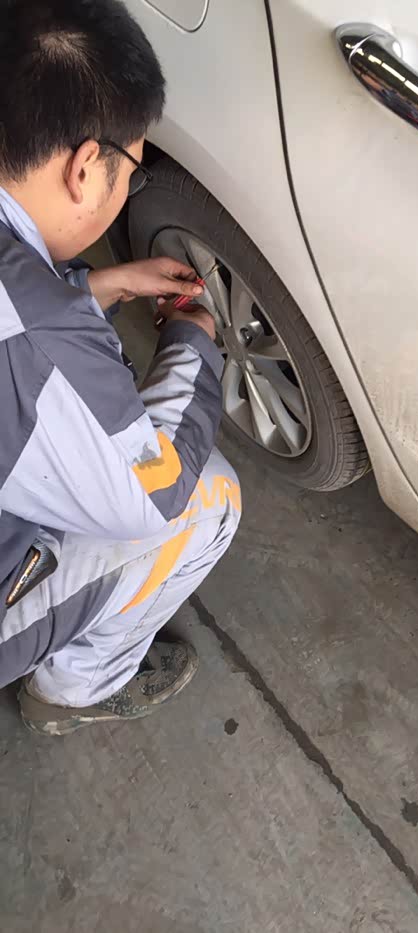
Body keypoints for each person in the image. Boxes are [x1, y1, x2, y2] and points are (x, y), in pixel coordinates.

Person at [0, 0, 241, 735]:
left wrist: (94, 288)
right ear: (83, 168)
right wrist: (194, 341)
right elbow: (152, 493)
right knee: (207, 498)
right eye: (130, 171)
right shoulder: (37, 344)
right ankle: (72, 692)